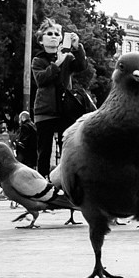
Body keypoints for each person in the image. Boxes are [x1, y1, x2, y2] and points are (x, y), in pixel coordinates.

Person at [30, 18, 88, 176]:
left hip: (65, 110)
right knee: (44, 151)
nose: (54, 36)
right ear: (41, 40)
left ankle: (65, 182)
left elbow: (82, 66)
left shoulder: (68, 57)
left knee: (66, 150)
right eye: (49, 34)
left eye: (57, 33)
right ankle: (42, 182)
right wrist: (57, 64)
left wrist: (78, 48)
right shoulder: (37, 60)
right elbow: (41, 80)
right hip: (45, 110)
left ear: (61, 38)